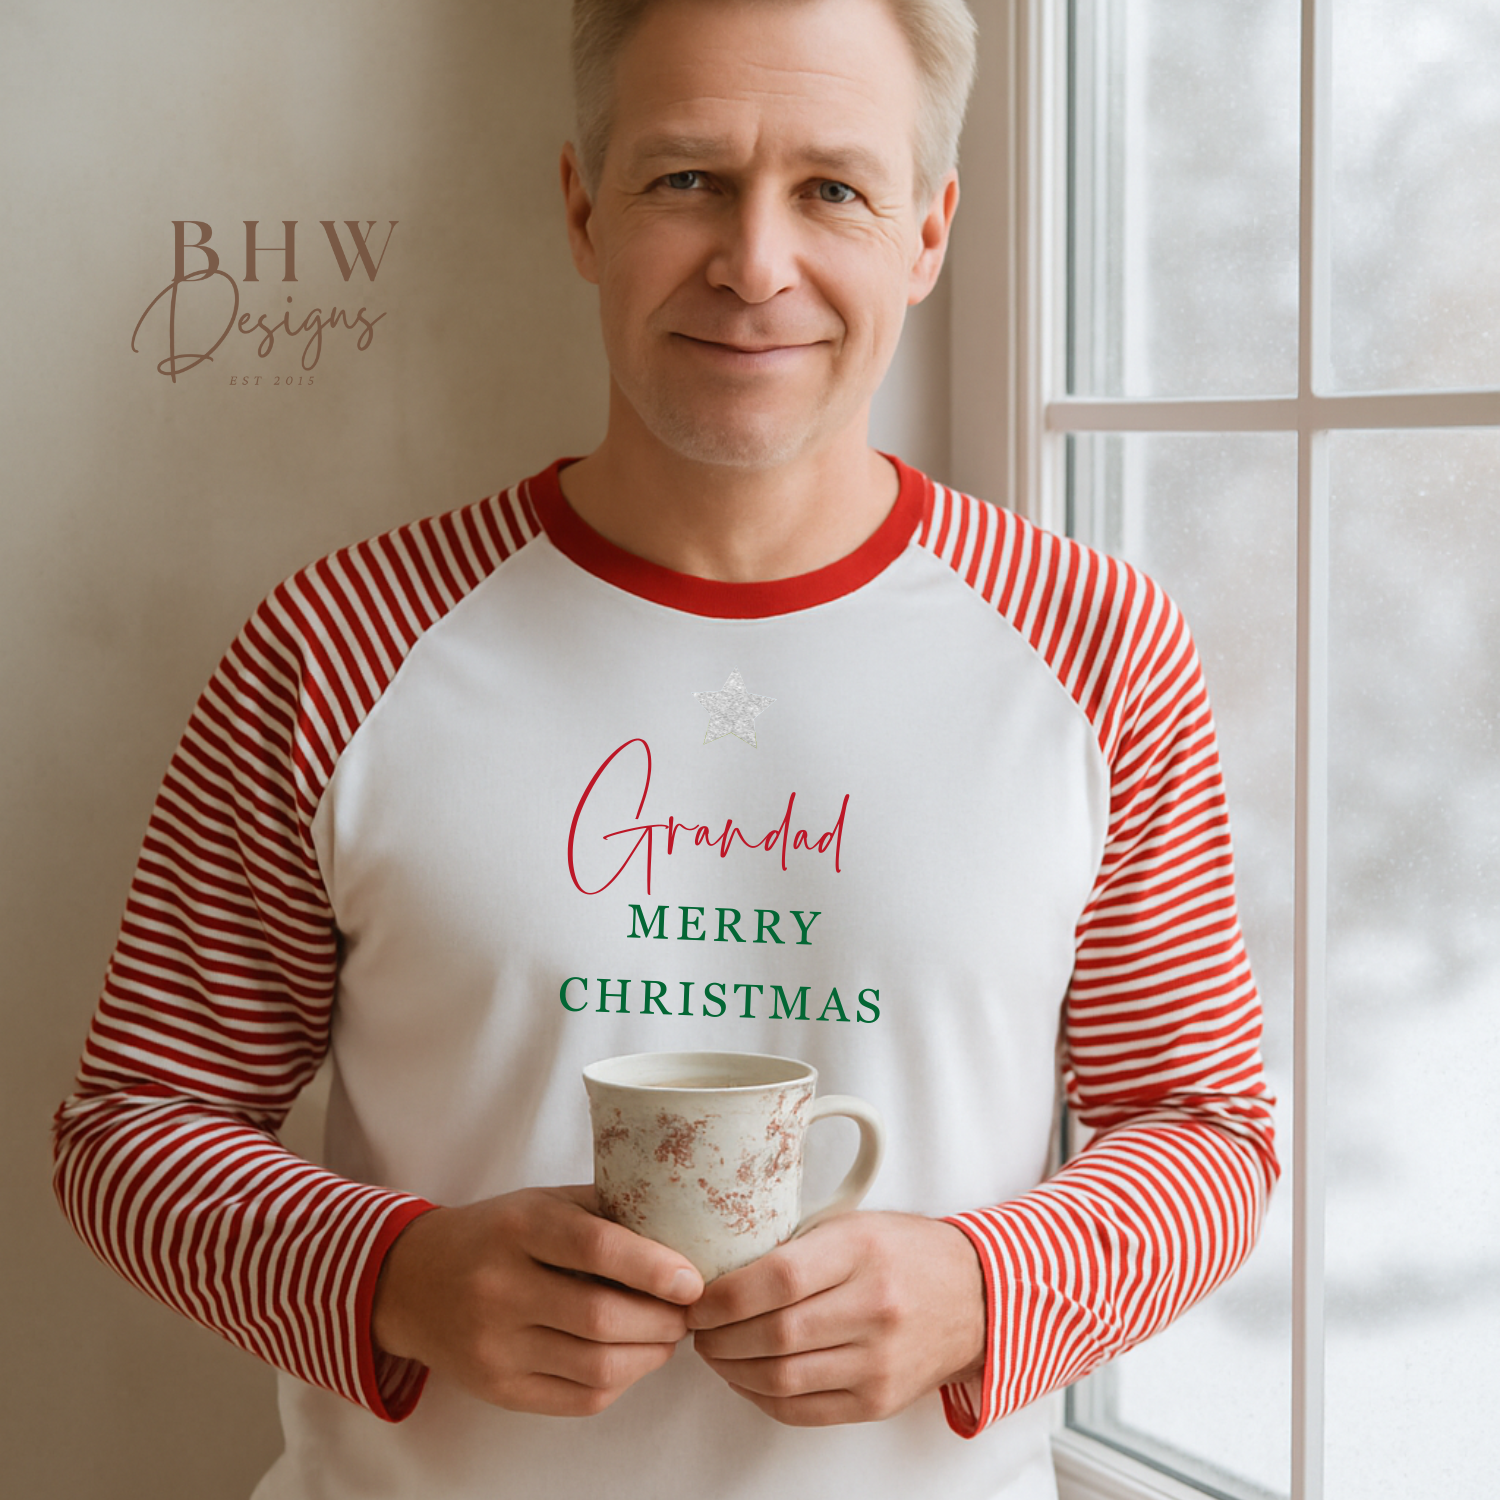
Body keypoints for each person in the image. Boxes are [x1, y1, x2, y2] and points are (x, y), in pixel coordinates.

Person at [52, 1, 1278, 1496]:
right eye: (687, 178)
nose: (755, 266)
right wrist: (395, 1277)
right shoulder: (333, 642)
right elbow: (133, 1126)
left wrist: (985, 1288)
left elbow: (1206, 1134)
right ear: (584, 204)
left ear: (930, 232)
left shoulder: (1101, 650)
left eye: (833, 187)